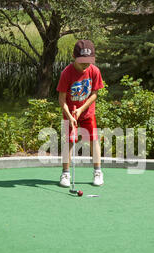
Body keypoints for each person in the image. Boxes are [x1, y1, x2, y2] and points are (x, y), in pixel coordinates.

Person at [56, 39, 104, 187]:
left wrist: (81, 110)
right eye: (82, 61)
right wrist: (70, 116)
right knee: (69, 142)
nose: (85, 64)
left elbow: (94, 94)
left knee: (94, 140)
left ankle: (98, 172)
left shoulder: (94, 71)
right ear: (73, 57)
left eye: (89, 61)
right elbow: (61, 99)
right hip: (70, 114)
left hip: (87, 113)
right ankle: (65, 174)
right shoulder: (67, 73)